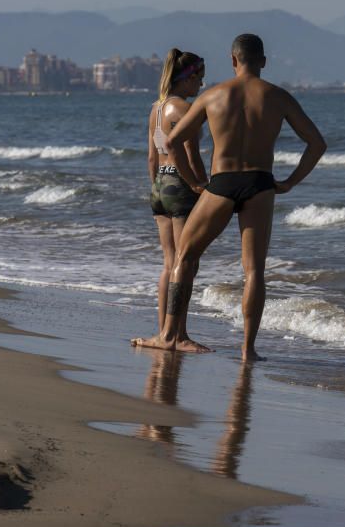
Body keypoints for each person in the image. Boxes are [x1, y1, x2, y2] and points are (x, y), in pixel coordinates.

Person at [155, 33, 326, 361]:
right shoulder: (279, 97)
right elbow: (317, 144)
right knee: (253, 271)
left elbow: (173, 142)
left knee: (184, 258)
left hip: (222, 182)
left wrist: (195, 183)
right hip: (260, 184)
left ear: (233, 60)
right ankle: (248, 350)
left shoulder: (213, 96)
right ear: (262, 61)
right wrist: (290, 181)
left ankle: (169, 336)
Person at [132, 49, 209, 353]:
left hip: (160, 186)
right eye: (198, 79)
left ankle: (163, 331)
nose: (200, 86)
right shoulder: (183, 109)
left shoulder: (156, 108)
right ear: (187, 78)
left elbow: (153, 156)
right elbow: (189, 156)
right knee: (186, 263)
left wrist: (157, 187)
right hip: (180, 185)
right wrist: (200, 185)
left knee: (169, 263)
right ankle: (178, 334)